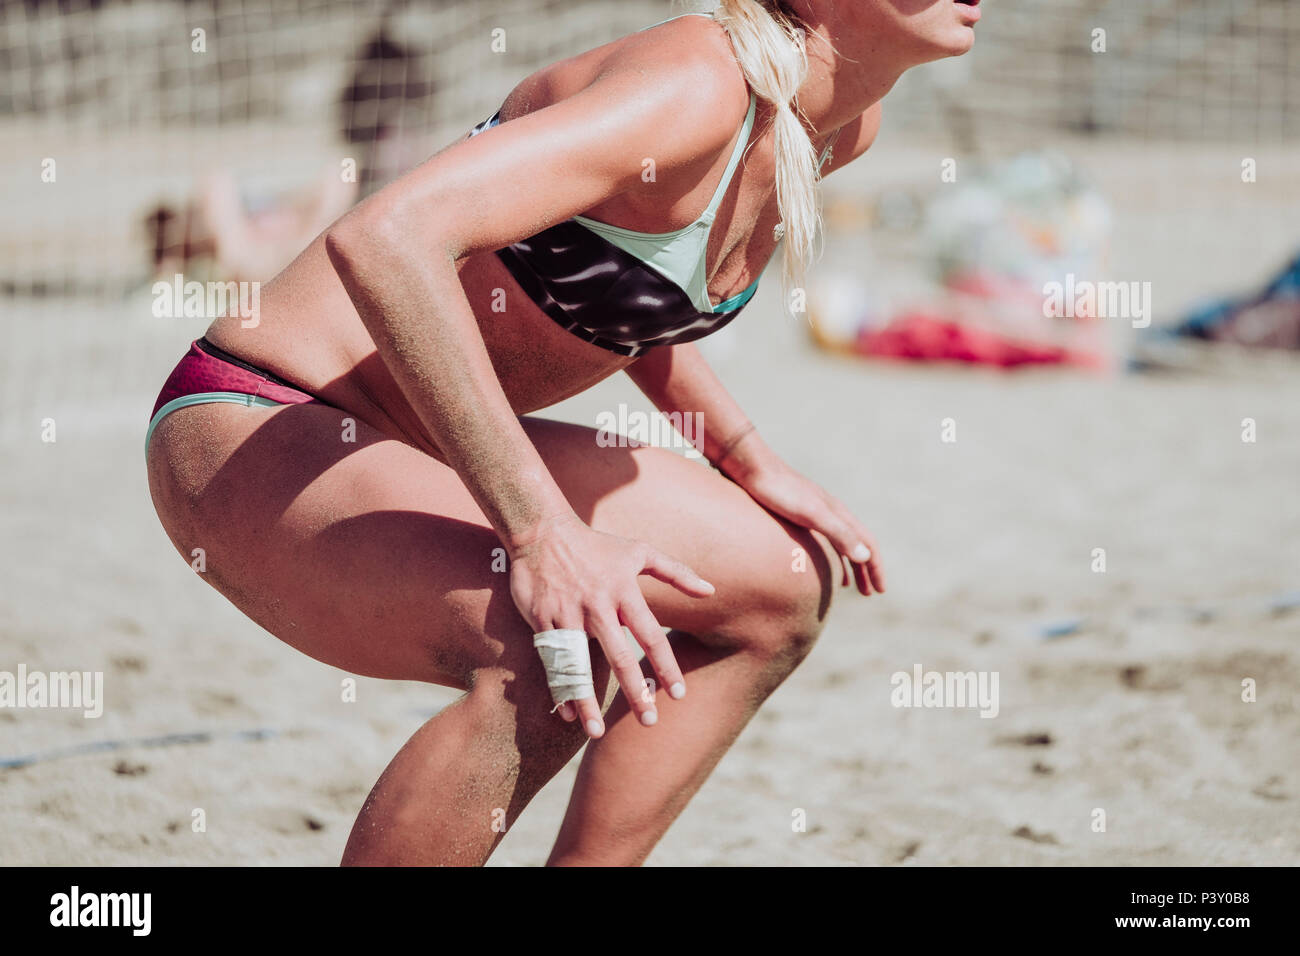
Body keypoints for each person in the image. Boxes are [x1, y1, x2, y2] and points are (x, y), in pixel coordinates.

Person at [144, 0, 981, 866]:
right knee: (558, 647)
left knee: (782, 583)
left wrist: (749, 459)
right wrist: (540, 532)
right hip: (256, 419)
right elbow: (386, 240)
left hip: (424, 437)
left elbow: (627, 299)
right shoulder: (697, 86)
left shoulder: (845, 124)